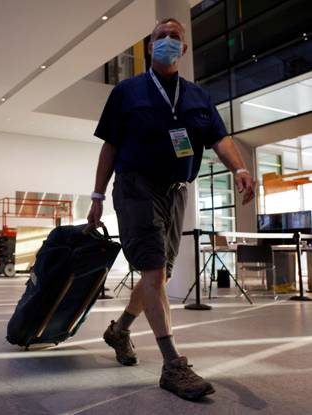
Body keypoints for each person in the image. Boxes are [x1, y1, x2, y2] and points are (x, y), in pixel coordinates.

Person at [88, 18, 255, 401]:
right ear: (149, 47)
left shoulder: (197, 96)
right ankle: (172, 365)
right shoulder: (127, 92)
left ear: (183, 49)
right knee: (153, 268)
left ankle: (120, 330)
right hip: (136, 186)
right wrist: (97, 198)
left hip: (176, 191)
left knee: (157, 276)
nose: (166, 41)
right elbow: (110, 146)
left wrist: (241, 168)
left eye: (174, 37)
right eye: (159, 37)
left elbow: (220, 138)